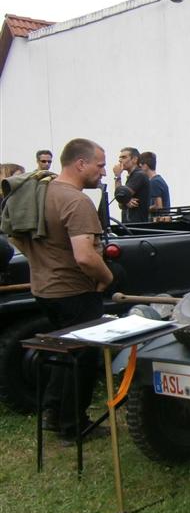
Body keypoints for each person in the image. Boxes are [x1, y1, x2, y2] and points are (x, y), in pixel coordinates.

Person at [12, 139, 114, 440]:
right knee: (82, 358)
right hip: (73, 292)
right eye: (100, 164)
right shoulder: (76, 201)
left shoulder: (39, 193)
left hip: (44, 289)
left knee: (63, 353)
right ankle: (73, 425)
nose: (104, 171)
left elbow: (17, 235)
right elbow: (84, 255)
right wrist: (107, 278)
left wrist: (41, 262)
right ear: (80, 164)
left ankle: (53, 413)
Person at [112, 146, 151, 223]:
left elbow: (120, 196)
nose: (120, 160)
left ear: (135, 159)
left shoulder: (139, 175)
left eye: (124, 157)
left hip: (136, 225)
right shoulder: (132, 176)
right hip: (129, 224)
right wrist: (126, 201)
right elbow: (120, 202)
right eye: (120, 158)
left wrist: (117, 176)